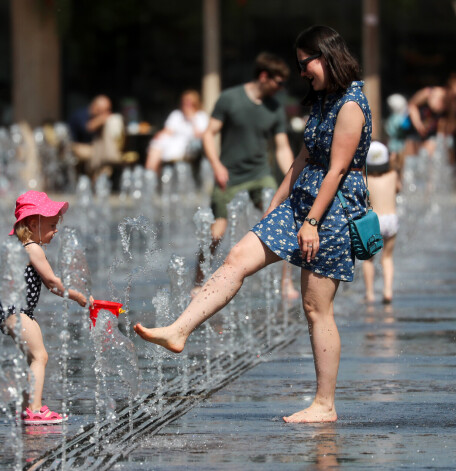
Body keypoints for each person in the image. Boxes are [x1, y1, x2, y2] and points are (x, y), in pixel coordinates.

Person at [135, 25, 372, 424]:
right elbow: (299, 160)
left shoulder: (351, 103)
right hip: (300, 201)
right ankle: (179, 329)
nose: (301, 73)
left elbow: (336, 170)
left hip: (331, 210)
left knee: (316, 308)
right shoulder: (322, 100)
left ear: (326, 55)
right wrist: (274, 209)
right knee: (236, 257)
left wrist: (311, 222)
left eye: (305, 64)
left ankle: (324, 404)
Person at [197, 51, 298, 299]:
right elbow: (209, 134)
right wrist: (216, 165)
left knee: (279, 226)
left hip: (260, 174)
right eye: (279, 82)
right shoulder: (230, 99)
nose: (281, 88)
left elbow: (282, 147)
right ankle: (198, 279)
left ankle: (286, 284)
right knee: (216, 233)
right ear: (264, 76)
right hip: (229, 175)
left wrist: (293, 177)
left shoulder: (275, 108)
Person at [0, 191, 92, 425]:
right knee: (40, 356)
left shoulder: (21, 247)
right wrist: (78, 296)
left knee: (35, 358)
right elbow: (52, 282)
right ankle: (35, 410)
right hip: (16, 312)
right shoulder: (32, 248)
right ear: (32, 223)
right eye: (51, 225)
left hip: (17, 312)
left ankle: (29, 405)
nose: (55, 230)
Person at [362, 141, 400, 304]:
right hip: (391, 220)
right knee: (387, 257)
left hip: (373, 221)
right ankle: (388, 291)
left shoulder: (364, 179)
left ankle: (370, 293)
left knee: (369, 259)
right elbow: (398, 188)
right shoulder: (393, 176)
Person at [145, 90, 209, 174]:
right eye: (184, 103)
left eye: (189, 103)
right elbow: (168, 131)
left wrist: (192, 120)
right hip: (171, 142)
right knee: (156, 145)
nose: (186, 105)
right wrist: (159, 135)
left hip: (189, 145)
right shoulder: (176, 114)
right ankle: (151, 175)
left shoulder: (201, 116)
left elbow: (200, 136)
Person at [68, 95, 124, 179]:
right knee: (98, 155)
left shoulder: (98, 118)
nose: (107, 113)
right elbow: (87, 128)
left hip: (94, 147)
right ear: (95, 107)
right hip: (76, 146)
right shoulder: (81, 114)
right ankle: (92, 179)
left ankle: (99, 180)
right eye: (104, 110)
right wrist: (102, 119)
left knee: (104, 157)